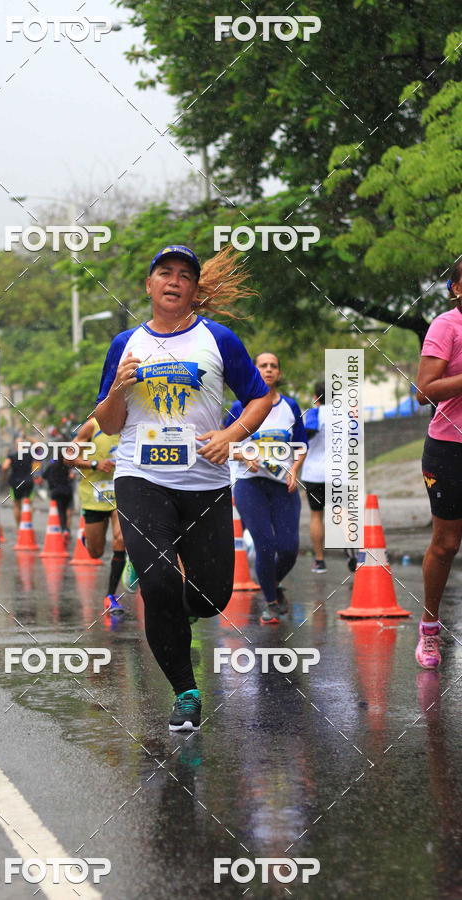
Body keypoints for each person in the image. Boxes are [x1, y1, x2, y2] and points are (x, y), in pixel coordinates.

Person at [94, 244, 271, 731]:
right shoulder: (125, 344)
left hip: (205, 480)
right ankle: (186, 692)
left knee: (212, 596)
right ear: (149, 285)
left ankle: (171, 605)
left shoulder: (218, 339)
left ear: (194, 290)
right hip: (140, 475)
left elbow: (260, 397)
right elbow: (108, 424)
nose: (173, 281)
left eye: (184, 275)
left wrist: (231, 435)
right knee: (159, 583)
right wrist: (117, 389)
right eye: (164, 273)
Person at [230, 353, 307, 625]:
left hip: (282, 485)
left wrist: (295, 470)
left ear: (279, 373)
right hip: (249, 485)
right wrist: (243, 456)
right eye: (263, 365)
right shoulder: (240, 407)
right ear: (254, 370)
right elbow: (225, 444)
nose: (269, 369)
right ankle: (271, 603)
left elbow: (300, 445)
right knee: (265, 544)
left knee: (288, 548)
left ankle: (270, 585)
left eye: (274, 365)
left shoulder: (290, 406)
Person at [415, 262, 462, 669]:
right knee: (446, 544)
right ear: (457, 288)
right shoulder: (447, 326)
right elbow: (424, 390)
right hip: (450, 447)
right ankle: (430, 627)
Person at [68, 417, 126, 615]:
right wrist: (95, 464)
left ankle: (111, 596)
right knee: (96, 552)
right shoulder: (92, 426)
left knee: (121, 539)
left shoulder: (135, 422)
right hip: (95, 494)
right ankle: (88, 539)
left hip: (123, 492)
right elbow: (68, 457)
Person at [301, 381, 327, 573]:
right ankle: (354, 557)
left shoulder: (313, 413)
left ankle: (319, 560)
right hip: (340, 473)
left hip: (314, 473)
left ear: (316, 397)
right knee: (343, 515)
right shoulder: (347, 416)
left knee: (316, 515)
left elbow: (304, 438)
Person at [2, 437, 34, 526]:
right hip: (28, 481)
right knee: (28, 504)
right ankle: (28, 526)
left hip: (15, 482)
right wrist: (27, 437)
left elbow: (5, 467)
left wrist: (4, 477)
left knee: (17, 505)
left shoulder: (12, 455)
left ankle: (19, 527)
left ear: (15, 445)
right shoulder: (29, 454)